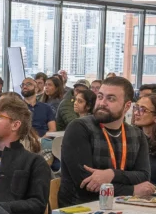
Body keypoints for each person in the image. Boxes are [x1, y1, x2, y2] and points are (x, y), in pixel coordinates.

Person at [58, 76, 150, 207]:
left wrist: (111, 174)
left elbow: (143, 175)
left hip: (126, 206)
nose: (102, 103)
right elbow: (86, 185)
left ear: (127, 106)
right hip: (82, 208)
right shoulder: (79, 128)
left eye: (111, 99)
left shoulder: (137, 135)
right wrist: (132, 190)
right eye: (100, 97)